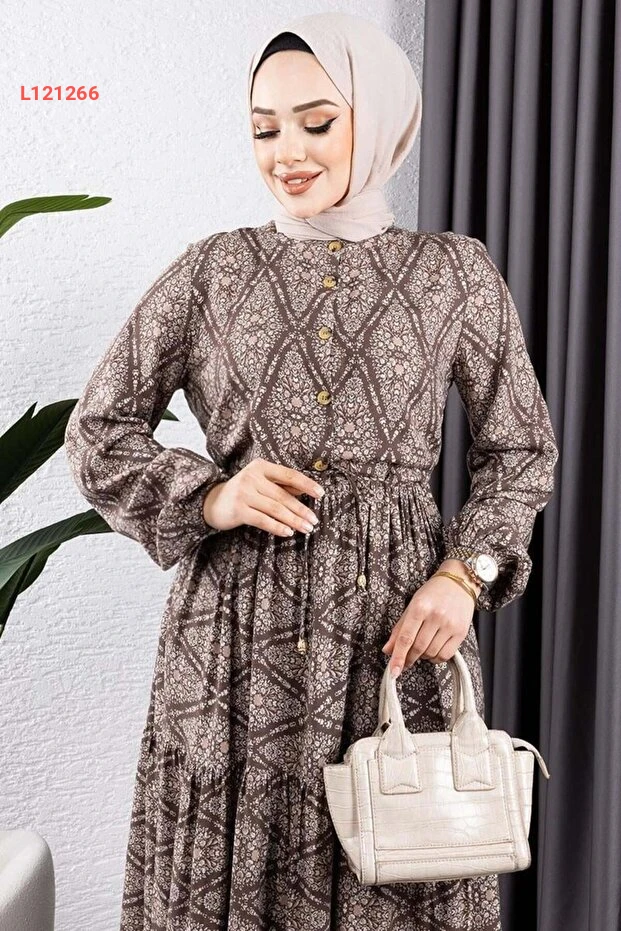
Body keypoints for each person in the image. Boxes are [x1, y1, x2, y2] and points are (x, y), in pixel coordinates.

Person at [64, 11, 559, 930]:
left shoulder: (454, 274)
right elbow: (97, 430)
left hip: (396, 638)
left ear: (378, 117)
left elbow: (520, 449)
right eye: (264, 129)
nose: (286, 152)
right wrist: (212, 494)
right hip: (231, 651)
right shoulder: (212, 271)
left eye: (316, 122)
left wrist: (465, 575)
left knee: (399, 867)